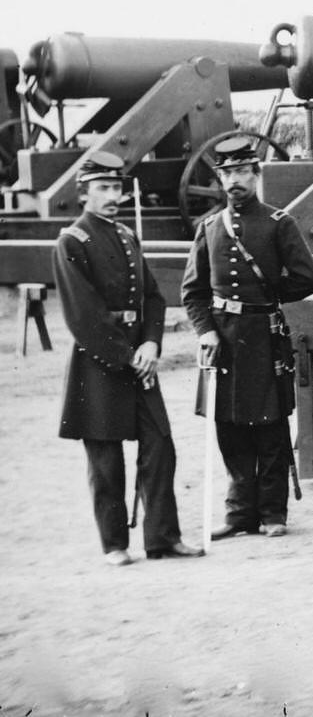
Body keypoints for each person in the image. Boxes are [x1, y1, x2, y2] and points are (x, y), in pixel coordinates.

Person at [52, 151, 202, 564]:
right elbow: (84, 317)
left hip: (140, 359)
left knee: (160, 446)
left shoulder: (124, 235)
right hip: (99, 365)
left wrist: (152, 344)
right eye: (102, 188)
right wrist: (129, 355)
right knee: (106, 459)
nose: (112, 195)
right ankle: (115, 544)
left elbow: (152, 297)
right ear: (84, 194)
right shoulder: (71, 242)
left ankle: (162, 539)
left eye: (116, 187)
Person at [182, 136, 313, 539]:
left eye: (242, 171)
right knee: (229, 427)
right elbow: (193, 292)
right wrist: (205, 330)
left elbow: (307, 278)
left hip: (264, 336)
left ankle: (273, 512)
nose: (234, 181)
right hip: (222, 339)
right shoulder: (209, 227)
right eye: (226, 173)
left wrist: (269, 296)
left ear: (256, 174)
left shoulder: (279, 223)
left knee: (270, 426)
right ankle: (239, 514)